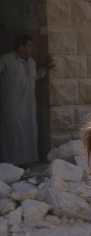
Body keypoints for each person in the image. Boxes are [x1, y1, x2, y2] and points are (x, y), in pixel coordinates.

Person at [0, 34, 53, 165]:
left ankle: (27, 163)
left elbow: (35, 77)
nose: (33, 48)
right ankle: (11, 167)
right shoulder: (6, 60)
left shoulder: (31, 62)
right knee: (13, 136)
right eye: (30, 45)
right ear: (21, 47)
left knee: (28, 135)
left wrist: (45, 69)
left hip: (28, 107)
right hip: (12, 107)